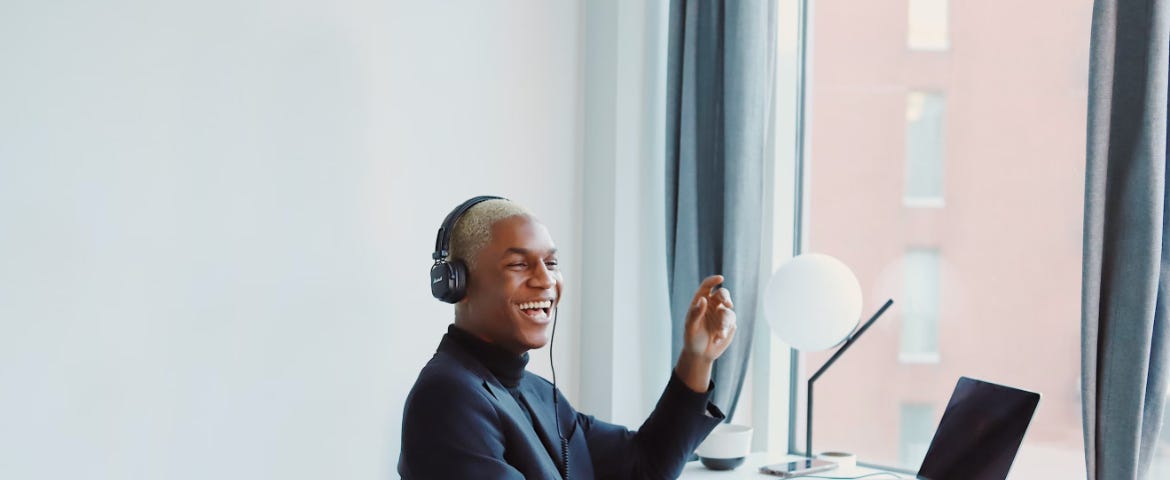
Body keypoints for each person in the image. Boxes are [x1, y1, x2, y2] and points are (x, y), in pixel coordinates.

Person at [399, 196, 737, 479]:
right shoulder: (447, 397)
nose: (546, 280)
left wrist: (697, 358)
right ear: (457, 284)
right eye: (518, 264)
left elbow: (644, 466)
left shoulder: (537, 392)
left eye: (551, 262)